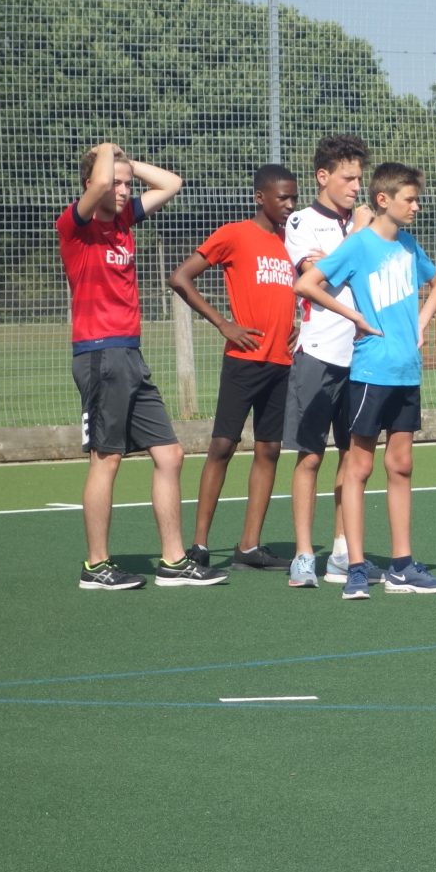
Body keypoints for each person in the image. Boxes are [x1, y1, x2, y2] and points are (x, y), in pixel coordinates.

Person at [60, 143, 227, 589]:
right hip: (99, 354)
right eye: (114, 184)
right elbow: (99, 181)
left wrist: (127, 163)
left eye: (127, 184)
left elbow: (172, 183)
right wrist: (104, 151)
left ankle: (173, 561)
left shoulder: (124, 221)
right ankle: (96, 566)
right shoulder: (74, 225)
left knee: (170, 455)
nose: (122, 190)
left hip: (130, 354)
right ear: (92, 184)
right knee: (107, 459)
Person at [294, 162, 436, 600]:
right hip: (370, 372)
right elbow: (307, 284)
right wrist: (354, 316)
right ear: (384, 200)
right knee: (358, 467)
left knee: (401, 465)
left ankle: (402, 565)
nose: (416, 207)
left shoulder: (409, 245)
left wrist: (421, 323)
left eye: (417, 199)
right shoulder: (359, 245)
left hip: (406, 373)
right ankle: (356, 567)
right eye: (410, 199)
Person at [168, 164, 300, 573]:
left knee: (269, 449)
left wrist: (299, 324)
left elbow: (298, 291)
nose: (290, 205)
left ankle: (249, 546)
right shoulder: (234, 234)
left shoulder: (292, 242)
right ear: (261, 197)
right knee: (223, 446)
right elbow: (181, 278)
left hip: (281, 362)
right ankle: (199, 544)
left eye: (294, 198)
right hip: (244, 360)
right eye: (283, 197)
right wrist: (223, 323)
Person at [280, 134, 376, 588]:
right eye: (348, 178)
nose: (357, 187)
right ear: (323, 176)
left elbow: (355, 271)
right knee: (310, 456)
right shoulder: (302, 222)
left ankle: (342, 551)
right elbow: (316, 277)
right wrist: (354, 239)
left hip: (362, 357)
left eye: (359, 178)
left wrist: (344, 252)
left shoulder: (366, 222)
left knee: (353, 457)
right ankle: (303, 555)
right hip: (318, 353)